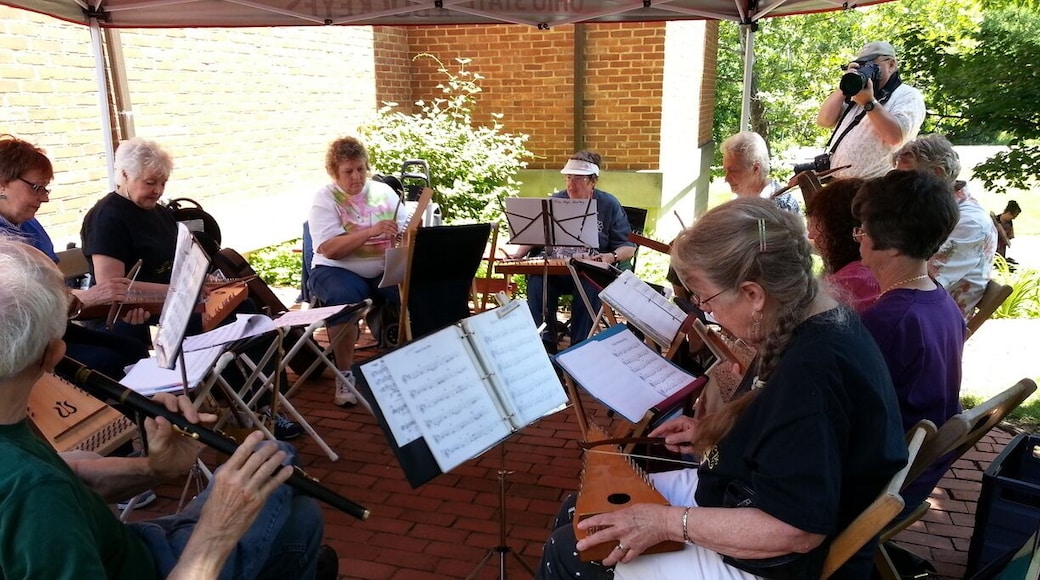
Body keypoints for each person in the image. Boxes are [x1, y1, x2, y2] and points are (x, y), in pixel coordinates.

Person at [537, 197, 907, 580]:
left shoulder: (815, 372)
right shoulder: (817, 317)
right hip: (744, 497)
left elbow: (796, 530)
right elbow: (788, 436)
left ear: (753, 295)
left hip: (778, 555)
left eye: (706, 299)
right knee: (579, 510)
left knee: (572, 553)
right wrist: (712, 432)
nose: (705, 311)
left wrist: (667, 523)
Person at [0, 239, 330, 580]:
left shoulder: (18, 444)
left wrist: (155, 469)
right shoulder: (33, 491)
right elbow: (46, 493)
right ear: (53, 354)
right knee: (276, 457)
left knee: (298, 514)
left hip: (126, 547)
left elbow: (75, 481)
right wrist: (215, 534)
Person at [81, 137, 302, 439]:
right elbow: (111, 287)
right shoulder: (107, 217)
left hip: (173, 304)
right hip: (133, 313)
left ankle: (259, 407)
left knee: (249, 316)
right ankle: (249, 410)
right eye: (150, 182)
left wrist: (203, 281)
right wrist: (182, 291)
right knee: (228, 325)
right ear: (123, 175)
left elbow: (179, 261)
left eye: (163, 182)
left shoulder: (157, 212)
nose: (158, 191)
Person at [853, 169, 966, 508]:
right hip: (915, 474)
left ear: (893, 247)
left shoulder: (889, 320)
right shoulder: (940, 300)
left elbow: (844, 411)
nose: (857, 236)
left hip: (881, 483)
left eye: (863, 229)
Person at [0, 134, 149, 379]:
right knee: (112, 362)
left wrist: (108, 304)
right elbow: (22, 310)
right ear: (2, 183)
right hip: (20, 345)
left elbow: (56, 288)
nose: (45, 197)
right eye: (37, 188)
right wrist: (89, 299)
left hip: (50, 329)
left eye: (45, 188)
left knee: (132, 348)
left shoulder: (29, 225)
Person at [306, 136, 406, 407]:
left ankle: (412, 364)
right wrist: (372, 231)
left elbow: (408, 230)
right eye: (348, 171)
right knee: (343, 300)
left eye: (361, 169)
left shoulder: (384, 193)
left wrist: (405, 239)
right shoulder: (325, 199)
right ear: (334, 173)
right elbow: (330, 249)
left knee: (416, 290)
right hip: (336, 269)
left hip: (382, 268)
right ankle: (345, 374)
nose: (356, 177)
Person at [510, 151, 635, 350]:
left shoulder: (608, 204)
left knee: (590, 287)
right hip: (558, 269)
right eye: (568, 177)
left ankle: (579, 347)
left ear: (593, 181)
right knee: (537, 280)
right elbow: (536, 234)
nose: (571, 184)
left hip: (588, 271)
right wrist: (518, 253)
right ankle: (544, 343)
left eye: (578, 178)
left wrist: (611, 256)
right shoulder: (556, 200)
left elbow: (628, 246)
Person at [892, 134, 998, 317]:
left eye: (908, 179)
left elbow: (917, 281)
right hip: (913, 312)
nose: (900, 188)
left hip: (932, 324)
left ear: (937, 173)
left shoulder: (970, 223)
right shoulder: (930, 209)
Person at [816, 41, 926, 179]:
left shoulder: (908, 95)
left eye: (871, 65)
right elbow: (824, 121)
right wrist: (846, 85)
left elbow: (896, 137)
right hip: (840, 187)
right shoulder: (857, 95)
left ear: (891, 64)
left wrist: (869, 103)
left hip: (877, 189)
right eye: (861, 65)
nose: (866, 71)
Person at [804, 177, 879, 312]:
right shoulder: (876, 268)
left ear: (837, 228)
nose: (812, 236)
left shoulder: (851, 280)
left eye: (818, 225)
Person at [720, 131, 800, 214]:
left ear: (756, 168)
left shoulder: (780, 208)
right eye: (726, 170)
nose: (726, 179)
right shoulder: (739, 201)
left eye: (733, 170)